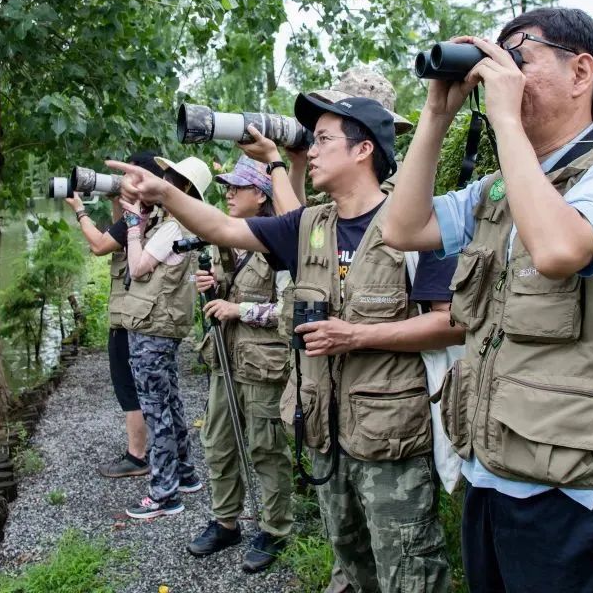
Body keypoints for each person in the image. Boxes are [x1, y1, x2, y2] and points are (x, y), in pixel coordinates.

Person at [109, 96, 459, 592]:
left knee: (411, 573)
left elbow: (451, 324)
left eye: (321, 140)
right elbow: (223, 227)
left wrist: (358, 335)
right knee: (352, 564)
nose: (309, 151)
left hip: (391, 440)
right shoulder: (309, 225)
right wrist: (164, 192)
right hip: (325, 433)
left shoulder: (423, 222)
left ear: (363, 151)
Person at [383, 7, 593, 593]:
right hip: (491, 476)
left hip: (581, 497)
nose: (500, 73)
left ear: (580, 71)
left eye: (520, 57)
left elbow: (560, 249)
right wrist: (436, 116)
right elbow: (403, 228)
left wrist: (506, 121)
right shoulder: (503, 187)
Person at [185, 155, 294, 573]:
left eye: (237, 187)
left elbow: (289, 308)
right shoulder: (227, 241)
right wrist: (213, 286)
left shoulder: (280, 243)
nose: (228, 193)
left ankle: (275, 529)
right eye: (226, 186)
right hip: (225, 361)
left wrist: (239, 309)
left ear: (261, 195)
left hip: (264, 365)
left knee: (266, 449)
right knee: (217, 443)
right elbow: (225, 298)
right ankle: (225, 521)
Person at [121, 155, 213, 519]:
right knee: (170, 402)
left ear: (185, 188)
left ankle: (164, 494)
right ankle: (186, 474)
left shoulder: (174, 228)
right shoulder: (182, 225)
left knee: (156, 408)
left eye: (172, 177)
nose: (164, 180)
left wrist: (132, 227)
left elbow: (138, 267)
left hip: (151, 328)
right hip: (163, 326)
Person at [64, 151, 164, 479]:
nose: (124, 184)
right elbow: (121, 234)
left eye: (130, 177)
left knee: (128, 385)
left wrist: (79, 210)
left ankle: (138, 456)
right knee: (142, 384)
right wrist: (115, 200)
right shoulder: (154, 212)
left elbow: (99, 244)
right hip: (141, 311)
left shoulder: (142, 213)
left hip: (129, 315)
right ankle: (150, 450)